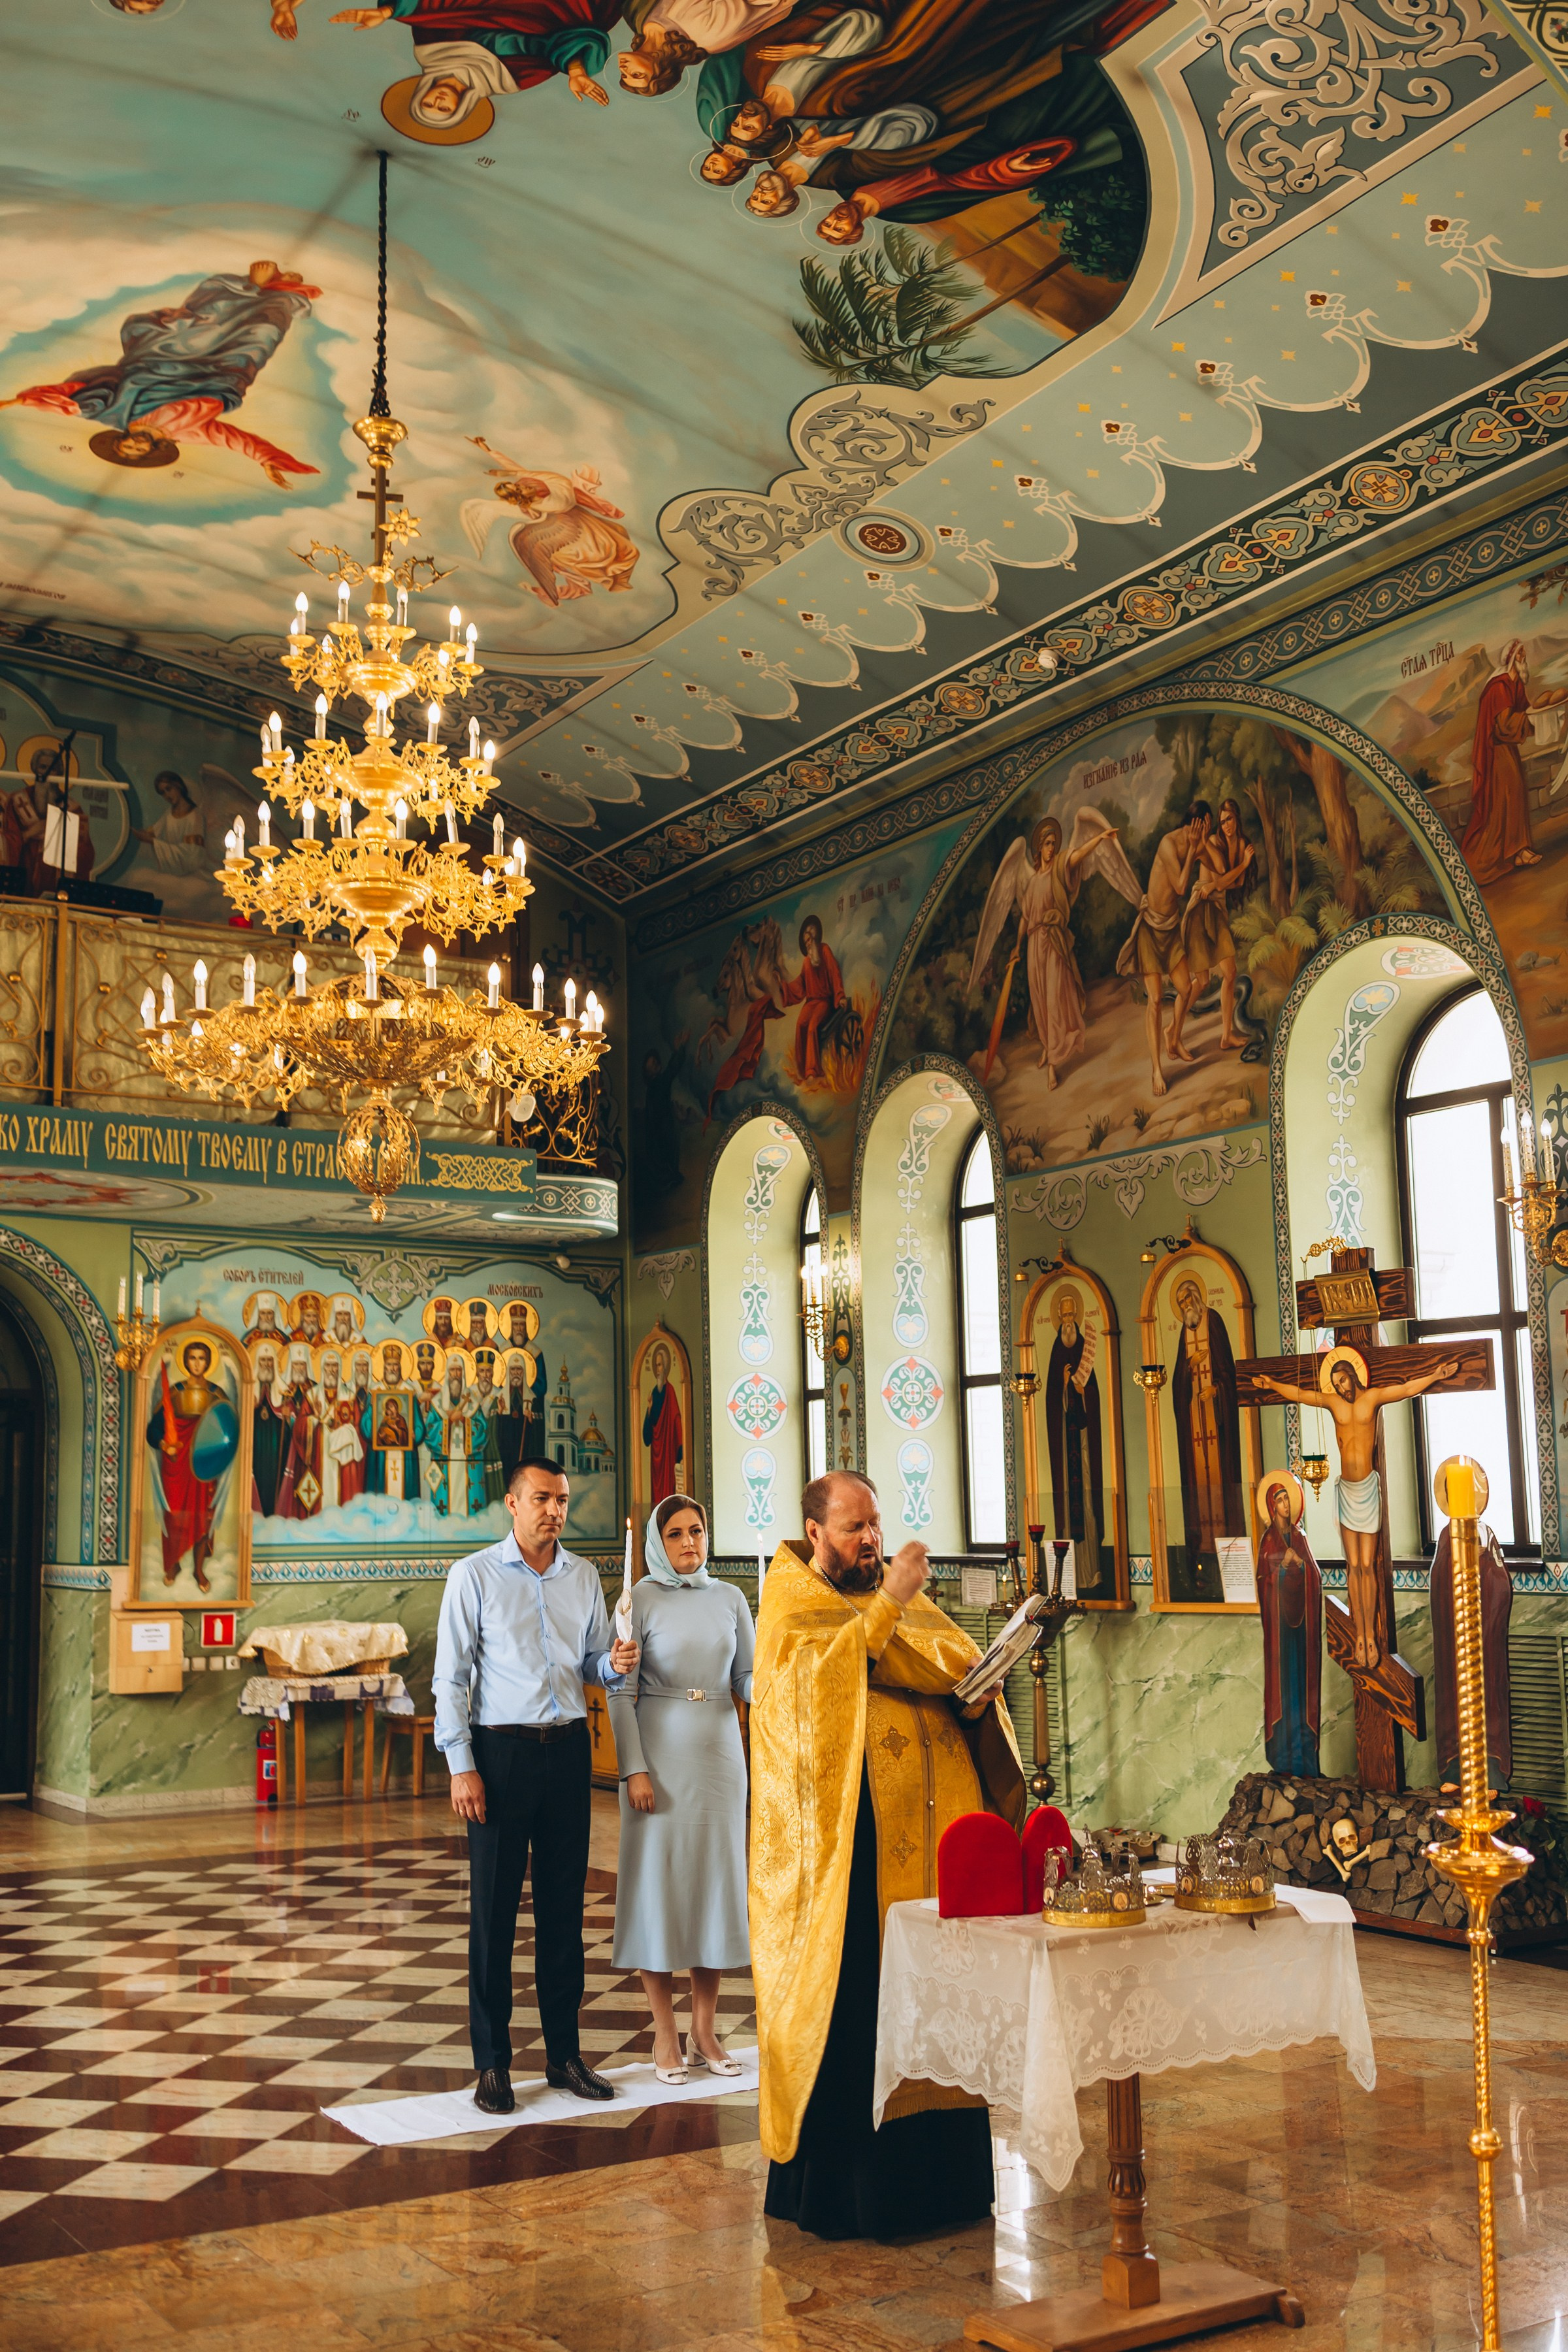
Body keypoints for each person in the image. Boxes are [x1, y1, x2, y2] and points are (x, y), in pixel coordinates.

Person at [751, 1470, 1024, 2240]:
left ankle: (946, 2189)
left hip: (932, 1860)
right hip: (849, 1868)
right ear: (815, 1535)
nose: (870, 1541)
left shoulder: (892, 1600)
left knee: (939, 2003)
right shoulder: (791, 1604)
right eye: (852, 1529)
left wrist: (976, 1698)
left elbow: (948, 1665)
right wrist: (892, 1603)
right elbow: (809, 1699)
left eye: (874, 1525)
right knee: (863, 2013)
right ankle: (856, 2200)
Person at [434, 1458, 640, 2114]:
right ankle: (492, 2062)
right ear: (513, 1504)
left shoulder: (583, 1576)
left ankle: (565, 2055)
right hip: (500, 1753)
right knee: (493, 1914)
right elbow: (451, 1678)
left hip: (568, 1751)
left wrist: (613, 1663)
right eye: (543, 1499)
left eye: (563, 1500)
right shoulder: (475, 1576)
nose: (555, 1510)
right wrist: (461, 1763)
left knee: (563, 1912)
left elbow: (590, 1662)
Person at [609, 1495, 754, 2080]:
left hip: (720, 1754)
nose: (690, 1542)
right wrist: (633, 1768)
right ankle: (664, 2037)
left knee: (714, 1890)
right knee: (659, 1891)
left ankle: (705, 2030)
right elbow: (621, 1691)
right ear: (656, 1541)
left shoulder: (732, 1598)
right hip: (660, 1756)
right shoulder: (637, 1599)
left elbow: (745, 1675)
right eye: (675, 1534)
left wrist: (772, 1686)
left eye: (697, 1530)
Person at [2, 262, 321, 486]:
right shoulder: (189, 433)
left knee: (201, 331)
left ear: (120, 440)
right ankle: (281, 293)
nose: (134, 447)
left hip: (166, 359)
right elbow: (239, 442)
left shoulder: (114, 414)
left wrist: (21, 402)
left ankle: (250, 287)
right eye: (137, 452)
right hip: (223, 372)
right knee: (262, 333)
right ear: (151, 452)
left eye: (126, 448)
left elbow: (75, 397)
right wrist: (269, 461)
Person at [1254, 1348, 1459, 1670]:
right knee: (1354, 1567)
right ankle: (1359, 1634)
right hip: (1346, 1491)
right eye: (1336, 1385)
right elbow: (1302, 1395)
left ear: (1353, 1374)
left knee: (1367, 1565)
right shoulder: (1334, 1404)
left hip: (1367, 1489)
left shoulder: (1372, 1398)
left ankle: (1371, 1636)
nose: (1342, 1389)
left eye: (1345, 1382)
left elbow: (1405, 1389)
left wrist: (1435, 1375)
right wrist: (1272, 1384)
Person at [1460, 638, 1568, 885]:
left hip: (1509, 753)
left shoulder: (1515, 683)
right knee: (1503, 802)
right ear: (1511, 657)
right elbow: (1504, 726)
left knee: (1517, 796)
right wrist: (1529, 719)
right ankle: (1499, 855)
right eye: (1520, 654)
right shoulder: (1498, 687)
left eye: (1523, 654)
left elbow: (1524, 710)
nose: (1523, 658)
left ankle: (1520, 850)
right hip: (1496, 754)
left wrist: (1542, 714)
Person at [1168, 1275, 1241, 1599]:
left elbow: (1230, 1372)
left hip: (1217, 1427)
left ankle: (1230, 1566)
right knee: (1199, 1495)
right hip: (1195, 1429)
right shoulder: (1185, 1332)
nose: (1187, 1308)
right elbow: (1176, 1386)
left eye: (1189, 1301)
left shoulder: (1215, 1322)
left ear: (1199, 1299)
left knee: (1221, 1491)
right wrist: (1188, 1367)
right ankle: (1202, 1564)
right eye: (1182, 1304)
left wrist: (1217, 1388)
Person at [1254, 1478, 1322, 1776]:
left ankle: (1306, 1761)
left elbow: (1315, 1577)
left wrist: (1301, 1567)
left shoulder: (1299, 1536)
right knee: (1284, 1691)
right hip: (1280, 1634)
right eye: (1280, 1500)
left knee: (1303, 1692)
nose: (1286, 1504)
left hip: (1302, 1632)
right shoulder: (1269, 1541)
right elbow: (1262, 1582)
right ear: (1272, 1506)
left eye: (1287, 1499)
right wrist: (1282, 1568)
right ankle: (1283, 1760)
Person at [1043, 1287, 1103, 1592]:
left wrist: (1081, 1392)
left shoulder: (1084, 1348)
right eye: (1064, 1315)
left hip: (1082, 1443)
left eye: (1072, 1314)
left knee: (1089, 1505)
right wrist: (1065, 1386)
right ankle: (1070, 1579)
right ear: (1059, 1318)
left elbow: (1094, 1399)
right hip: (1065, 1451)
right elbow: (1052, 1402)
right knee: (1068, 1509)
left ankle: (1091, 1572)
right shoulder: (1057, 1352)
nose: (1068, 1320)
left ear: (1078, 1317)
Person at [131, 770, 206, 875]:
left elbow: (192, 857)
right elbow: (154, 832)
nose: (167, 795)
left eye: (169, 789)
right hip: (171, 870)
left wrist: (153, 842)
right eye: (163, 793)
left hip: (189, 875)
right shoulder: (169, 813)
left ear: (178, 786)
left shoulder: (195, 816)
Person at [642, 1341, 685, 1505]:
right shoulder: (654, 1392)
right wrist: (649, 1410)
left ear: (666, 1367)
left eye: (660, 1365)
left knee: (668, 1488)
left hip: (668, 1451)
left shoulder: (671, 1391)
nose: (658, 1369)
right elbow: (648, 1434)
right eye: (657, 1365)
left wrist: (680, 1453)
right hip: (656, 1453)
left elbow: (676, 1420)